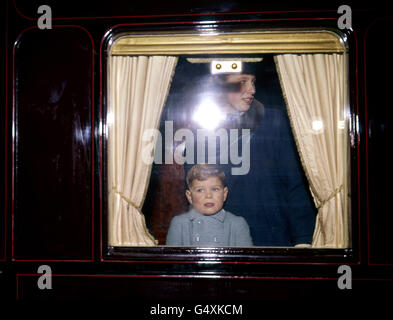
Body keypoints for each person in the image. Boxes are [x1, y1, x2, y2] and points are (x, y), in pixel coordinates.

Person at [185, 60, 316, 247]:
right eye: (242, 82)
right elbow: (196, 193)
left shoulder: (273, 121)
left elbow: (294, 185)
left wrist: (303, 239)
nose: (252, 89)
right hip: (222, 243)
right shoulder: (199, 130)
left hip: (272, 240)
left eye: (253, 82)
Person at [166, 164, 253, 246]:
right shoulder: (179, 224)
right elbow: (172, 260)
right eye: (200, 190)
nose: (208, 195)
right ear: (189, 196)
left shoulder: (237, 224)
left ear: (224, 194)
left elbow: (246, 260)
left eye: (215, 189)